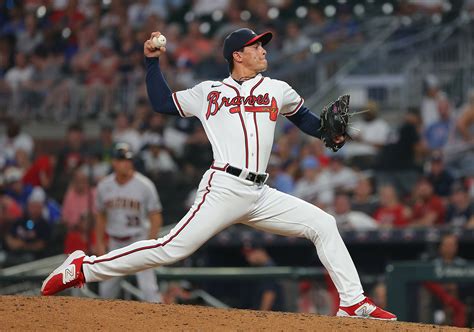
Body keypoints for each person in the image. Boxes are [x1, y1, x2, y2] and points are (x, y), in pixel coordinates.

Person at [41, 28, 396, 320]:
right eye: (256, 45)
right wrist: (151, 62)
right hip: (223, 186)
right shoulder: (208, 92)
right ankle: (83, 267)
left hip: (261, 193)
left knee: (324, 224)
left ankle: (352, 301)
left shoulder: (278, 89)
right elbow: (162, 103)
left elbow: (304, 119)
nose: (263, 49)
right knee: (169, 249)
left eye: (262, 45)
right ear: (237, 55)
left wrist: (326, 132)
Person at [94, 143, 163, 302]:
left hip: (137, 241)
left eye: (128, 160)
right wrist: (99, 243)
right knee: (105, 292)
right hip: (115, 243)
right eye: (122, 160)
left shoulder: (145, 185)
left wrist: (150, 243)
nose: (126, 163)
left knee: (149, 291)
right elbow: (100, 216)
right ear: (114, 162)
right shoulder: (104, 186)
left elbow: (156, 217)